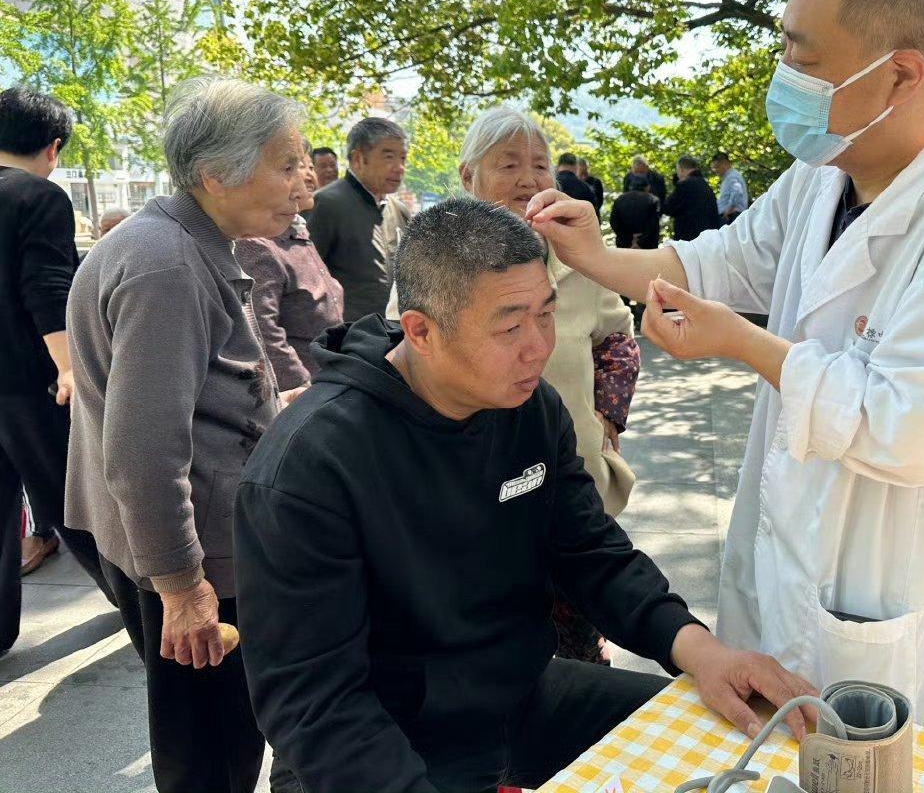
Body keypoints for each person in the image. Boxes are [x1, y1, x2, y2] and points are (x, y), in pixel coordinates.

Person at [528, 0, 924, 750]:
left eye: (804, 59)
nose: (787, 76)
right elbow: (720, 261)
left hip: (887, 616)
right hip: (777, 577)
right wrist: (597, 258)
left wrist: (740, 342)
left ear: (901, 74)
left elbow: (908, 429)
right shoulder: (823, 173)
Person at [234, 197, 818, 793]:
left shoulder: (528, 405)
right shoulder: (309, 466)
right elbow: (314, 704)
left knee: (741, 745)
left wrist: (704, 651)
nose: (539, 346)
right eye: (510, 326)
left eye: (547, 314)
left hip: (523, 695)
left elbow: (590, 551)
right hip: (385, 739)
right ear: (421, 331)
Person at [64, 78, 308, 793]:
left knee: (217, 742)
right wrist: (183, 588)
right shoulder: (166, 265)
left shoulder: (181, 242)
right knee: (211, 754)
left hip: (172, 540)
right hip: (187, 556)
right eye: (287, 165)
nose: (304, 186)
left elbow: (191, 398)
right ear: (215, 175)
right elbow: (144, 452)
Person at [388, 106, 642, 663]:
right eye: (509, 164)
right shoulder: (435, 266)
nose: (529, 179)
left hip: (567, 477)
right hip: (470, 496)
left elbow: (619, 340)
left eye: (540, 165)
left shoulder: (577, 259)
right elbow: (399, 360)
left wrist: (607, 417)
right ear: (467, 178)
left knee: (577, 636)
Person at [0, 86, 110, 654]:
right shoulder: (39, 197)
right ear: (54, 147)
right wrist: (69, 368)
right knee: (73, 497)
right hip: (25, 382)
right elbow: (45, 288)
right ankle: (137, 597)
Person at [238, 152, 345, 391]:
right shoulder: (259, 242)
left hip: (329, 380)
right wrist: (303, 390)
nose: (308, 175)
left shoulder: (299, 232)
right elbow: (263, 331)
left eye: (308, 166)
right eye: (293, 167)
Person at [309, 117, 411, 321]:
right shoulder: (328, 203)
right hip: (346, 335)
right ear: (358, 159)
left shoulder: (398, 210)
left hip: (392, 331)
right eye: (389, 157)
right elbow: (310, 277)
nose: (399, 167)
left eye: (402, 158)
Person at [662, 155, 721, 241]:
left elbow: (668, 208)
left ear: (681, 170)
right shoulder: (706, 185)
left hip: (690, 240)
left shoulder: (685, 185)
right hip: (709, 239)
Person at [610, 175, 662, 249]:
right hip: (647, 245)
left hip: (625, 244)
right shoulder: (652, 200)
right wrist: (640, 242)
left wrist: (629, 238)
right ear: (647, 187)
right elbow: (653, 225)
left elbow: (614, 223)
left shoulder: (619, 200)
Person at [711, 152, 749, 224]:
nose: (716, 170)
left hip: (731, 216)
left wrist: (728, 209)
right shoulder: (729, 176)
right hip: (730, 215)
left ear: (725, 164)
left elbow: (737, 192)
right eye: (714, 168)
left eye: (717, 166)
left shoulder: (732, 176)